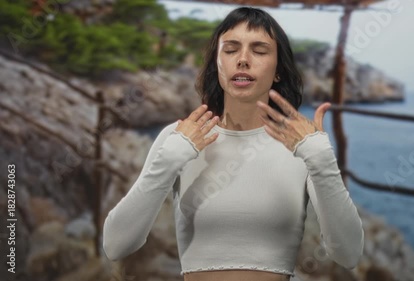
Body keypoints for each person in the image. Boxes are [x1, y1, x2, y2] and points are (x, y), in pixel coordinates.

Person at [103, 7, 364, 281]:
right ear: (217, 64)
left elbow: (348, 254)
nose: (242, 60)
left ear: (278, 70)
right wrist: (167, 162)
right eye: (230, 49)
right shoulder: (178, 138)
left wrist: (321, 158)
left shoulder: (303, 147)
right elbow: (116, 245)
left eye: (259, 51)